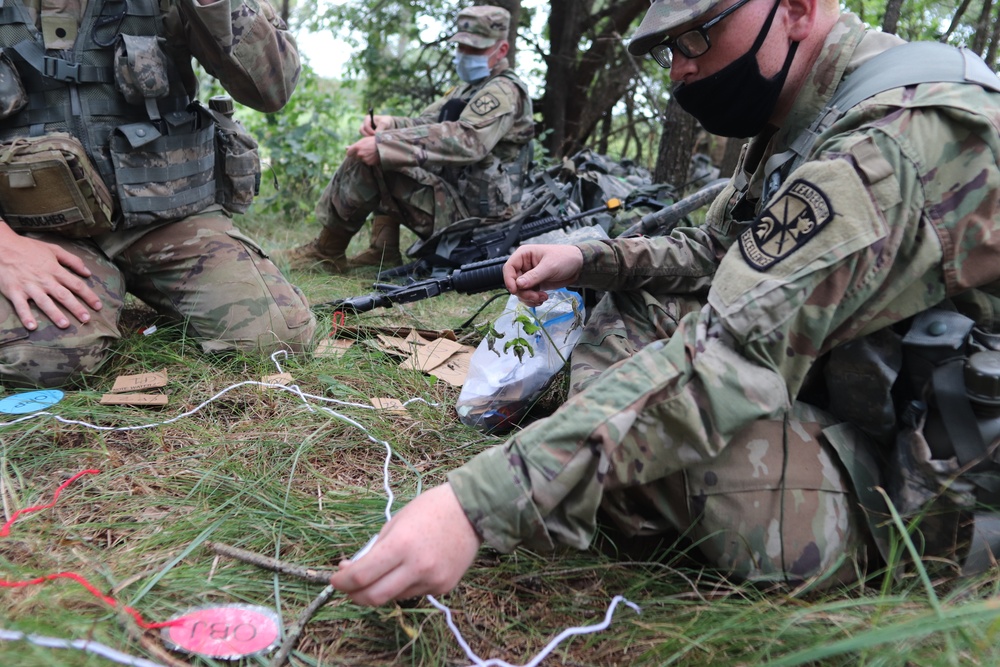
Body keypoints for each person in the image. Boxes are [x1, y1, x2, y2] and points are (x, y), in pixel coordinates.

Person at [330, 0, 1000, 606]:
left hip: (928, 501)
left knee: (654, 448)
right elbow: (715, 254)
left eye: (698, 39)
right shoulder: (810, 110)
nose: (681, 71)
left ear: (794, 10)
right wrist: (590, 259)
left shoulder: (885, 145)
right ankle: (613, 485)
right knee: (634, 322)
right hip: (859, 394)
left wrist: (474, 505)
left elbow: (724, 365)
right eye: (668, 50)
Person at [0, 0, 316, 388]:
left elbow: (273, 89)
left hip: (170, 217)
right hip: (37, 228)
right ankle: (100, 292)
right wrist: (5, 247)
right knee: (38, 360)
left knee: (275, 338)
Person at [276, 5, 534, 273]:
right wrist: (390, 125)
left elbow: (468, 140)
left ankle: (326, 253)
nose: (465, 55)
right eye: (461, 48)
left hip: (479, 221)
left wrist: (386, 146)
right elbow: (426, 124)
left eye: (476, 49)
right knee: (385, 150)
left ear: (501, 50)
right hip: (459, 200)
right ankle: (382, 252)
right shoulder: (470, 88)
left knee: (375, 158)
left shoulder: (503, 91)